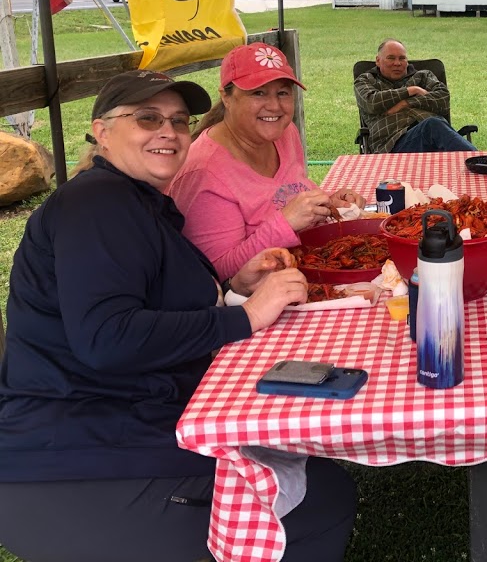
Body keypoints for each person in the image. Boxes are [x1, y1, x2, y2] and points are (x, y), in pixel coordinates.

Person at [0, 70, 356, 562]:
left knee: (301, 462)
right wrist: (247, 317)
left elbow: (150, 302)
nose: (168, 131)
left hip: (118, 430)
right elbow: (107, 338)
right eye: (148, 118)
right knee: (321, 499)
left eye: (179, 120)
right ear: (102, 132)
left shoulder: (136, 202)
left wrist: (234, 288)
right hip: (74, 463)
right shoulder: (95, 203)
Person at [169, 42, 364, 280]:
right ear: (226, 97)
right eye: (258, 93)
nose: (274, 106)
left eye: (282, 93)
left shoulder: (285, 133)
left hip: (314, 266)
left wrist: (328, 203)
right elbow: (216, 271)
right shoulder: (204, 172)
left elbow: (285, 192)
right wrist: (285, 223)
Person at [354, 38, 477, 153]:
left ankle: (478, 162)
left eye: (402, 58)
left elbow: (443, 99)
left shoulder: (423, 76)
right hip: (393, 145)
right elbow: (372, 102)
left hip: (436, 138)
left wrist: (406, 103)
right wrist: (412, 90)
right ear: (378, 61)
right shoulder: (366, 80)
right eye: (391, 58)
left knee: (433, 126)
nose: (397, 63)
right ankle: (479, 161)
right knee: (432, 126)